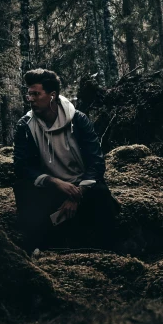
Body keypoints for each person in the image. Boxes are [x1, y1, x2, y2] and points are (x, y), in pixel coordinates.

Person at [13, 68, 120, 253]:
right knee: (22, 187)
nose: (30, 99)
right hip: (50, 189)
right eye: (29, 94)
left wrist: (77, 194)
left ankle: (108, 251)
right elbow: (22, 166)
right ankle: (36, 247)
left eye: (36, 94)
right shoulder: (25, 126)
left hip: (82, 187)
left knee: (101, 195)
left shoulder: (78, 120)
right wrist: (53, 181)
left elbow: (96, 162)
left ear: (52, 96)